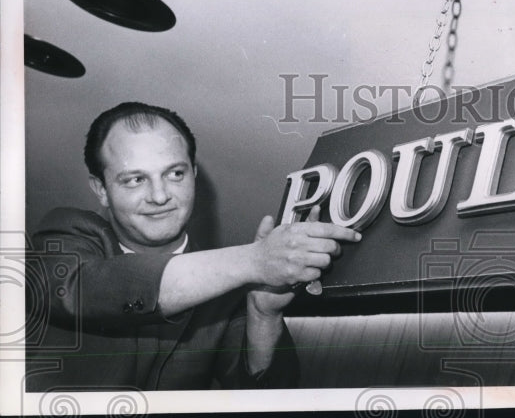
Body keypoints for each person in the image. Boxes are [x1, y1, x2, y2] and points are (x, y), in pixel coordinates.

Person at [26, 102, 358, 391]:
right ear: (100, 189)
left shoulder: (227, 284)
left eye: (174, 174)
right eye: (134, 179)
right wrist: (255, 261)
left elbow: (266, 392)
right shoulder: (67, 231)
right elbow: (76, 289)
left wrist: (263, 313)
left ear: (194, 175)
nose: (159, 196)